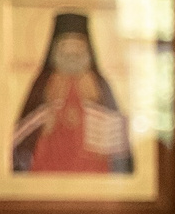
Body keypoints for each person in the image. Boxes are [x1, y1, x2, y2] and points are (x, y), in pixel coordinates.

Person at [9, 11, 131, 176]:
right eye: (66, 45)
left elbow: (117, 138)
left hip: (93, 169)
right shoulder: (43, 82)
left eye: (78, 45)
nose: (72, 53)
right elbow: (22, 134)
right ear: (55, 49)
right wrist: (44, 125)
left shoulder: (99, 83)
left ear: (87, 49)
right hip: (49, 167)